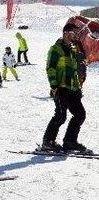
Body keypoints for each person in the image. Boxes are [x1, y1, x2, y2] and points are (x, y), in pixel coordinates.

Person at [41, 24, 89, 153]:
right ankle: (47, 142)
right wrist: (54, 85)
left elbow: (75, 70)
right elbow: (50, 68)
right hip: (61, 87)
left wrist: (78, 88)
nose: (75, 35)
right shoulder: (56, 49)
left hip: (73, 88)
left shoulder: (73, 49)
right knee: (61, 115)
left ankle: (70, 141)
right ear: (66, 33)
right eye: (73, 32)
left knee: (80, 114)